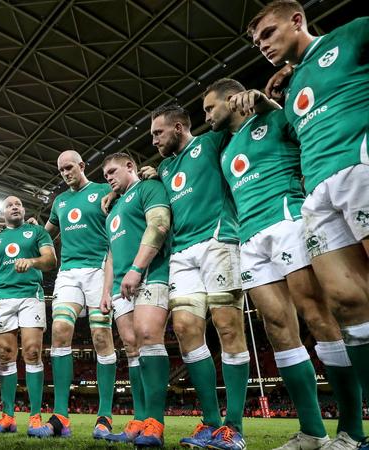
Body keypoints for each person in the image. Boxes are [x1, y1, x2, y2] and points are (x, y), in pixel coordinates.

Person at [205, 78, 364, 449]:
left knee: (317, 315)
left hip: (287, 221)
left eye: (210, 108)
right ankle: (312, 433)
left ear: (232, 99)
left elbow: (307, 133)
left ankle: (353, 431)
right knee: (277, 327)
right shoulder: (225, 150)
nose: (207, 116)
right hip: (250, 238)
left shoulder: (273, 119)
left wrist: (270, 105)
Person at [248, 4, 369, 430]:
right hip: (316, 193)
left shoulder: (350, 36)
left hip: (360, 168)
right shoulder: (292, 84)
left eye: (268, 33)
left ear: (297, 20)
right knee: (346, 302)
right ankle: (358, 431)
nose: (263, 45)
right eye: (257, 41)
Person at [148, 105, 248, 450]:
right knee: (185, 329)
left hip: (218, 239)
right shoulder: (164, 168)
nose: (154, 140)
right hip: (181, 252)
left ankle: (234, 427)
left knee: (228, 327)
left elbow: (242, 125)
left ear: (178, 127)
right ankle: (211, 422)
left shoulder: (210, 142)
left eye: (158, 132)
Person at [27, 150, 116, 439]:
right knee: (60, 331)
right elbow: (47, 234)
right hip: (68, 272)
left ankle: (104, 416)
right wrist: (33, 233)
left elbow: (125, 207)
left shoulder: (102, 190)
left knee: (101, 337)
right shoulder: (60, 202)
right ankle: (61, 417)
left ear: (81, 166)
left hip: (99, 268)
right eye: (61, 170)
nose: (66, 173)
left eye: (69, 167)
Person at [98, 153, 171, 447]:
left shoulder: (149, 188)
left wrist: (137, 269)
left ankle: (155, 421)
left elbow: (159, 225)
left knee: (148, 336)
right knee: (130, 346)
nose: (109, 178)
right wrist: (106, 291)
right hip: (120, 286)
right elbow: (111, 255)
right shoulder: (113, 210)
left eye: (113, 171)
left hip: (150, 273)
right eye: (105, 175)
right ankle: (140, 419)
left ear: (130, 166)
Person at [0, 196, 56, 435]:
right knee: (5, 354)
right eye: (9, 205)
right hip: (3, 298)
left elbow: (50, 260)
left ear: (23, 210)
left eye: (18, 204)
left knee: (33, 352)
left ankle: (35, 417)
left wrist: (32, 261)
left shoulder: (37, 232)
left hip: (30, 296)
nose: (14, 206)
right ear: (3, 212)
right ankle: (8, 417)